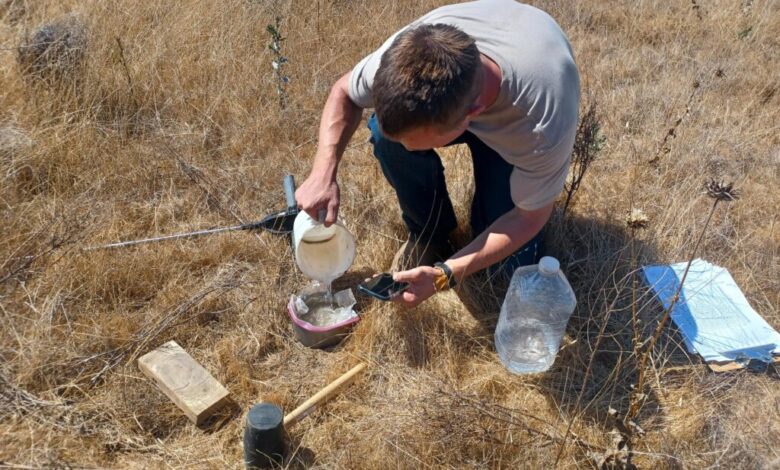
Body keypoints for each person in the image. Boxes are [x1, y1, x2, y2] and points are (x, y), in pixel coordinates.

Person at [295, 0, 580, 308]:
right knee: (383, 134)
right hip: (487, 63)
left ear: (473, 115)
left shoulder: (540, 123)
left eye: (416, 143)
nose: (405, 152)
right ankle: (430, 233)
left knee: (507, 267)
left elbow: (529, 218)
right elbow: (343, 91)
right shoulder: (399, 59)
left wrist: (447, 273)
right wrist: (323, 173)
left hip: (520, 91)